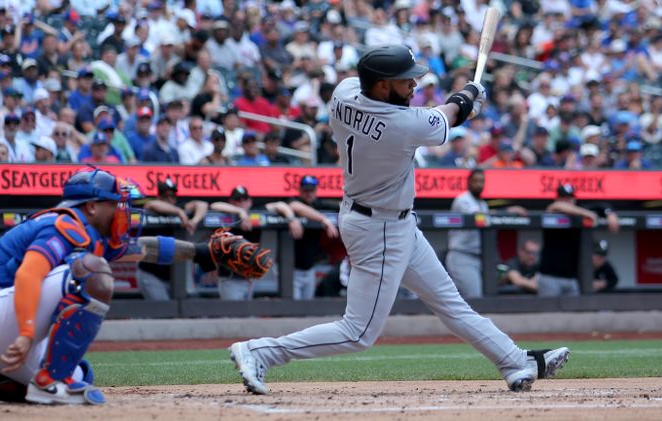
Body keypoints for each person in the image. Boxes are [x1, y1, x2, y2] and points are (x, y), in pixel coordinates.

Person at [229, 44, 569, 395]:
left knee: (450, 302)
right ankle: (260, 351)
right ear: (380, 86)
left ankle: (515, 361)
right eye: (405, 81)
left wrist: (464, 99)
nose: (413, 86)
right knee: (358, 332)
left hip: (388, 220)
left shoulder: (344, 93)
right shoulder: (401, 124)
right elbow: (451, 113)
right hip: (380, 228)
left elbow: (441, 111)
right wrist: (470, 93)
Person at [0, 168, 242, 405]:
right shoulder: (63, 224)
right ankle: (50, 381)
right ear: (92, 206)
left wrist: (200, 252)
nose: (122, 210)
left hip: (1, 329)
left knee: (81, 372)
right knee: (92, 270)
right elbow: (28, 274)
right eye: (114, 203)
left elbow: (145, 249)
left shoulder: (89, 231)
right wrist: (26, 333)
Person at [209, 186, 303, 300]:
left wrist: (292, 219)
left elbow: (280, 205)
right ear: (231, 202)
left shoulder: (256, 213)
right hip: (230, 278)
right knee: (232, 314)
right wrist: (240, 212)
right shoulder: (228, 214)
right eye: (238, 200)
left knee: (248, 314)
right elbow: (214, 205)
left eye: (245, 199)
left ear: (250, 201)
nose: (242, 202)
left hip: (249, 278)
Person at [445, 169, 527, 299]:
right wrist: (507, 211)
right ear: (468, 182)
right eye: (475, 181)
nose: (479, 184)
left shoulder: (482, 203)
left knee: (481, 296)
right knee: (474, 297)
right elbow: (479, 217)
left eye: (481, 181)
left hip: (481, 257)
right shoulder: (462, 199)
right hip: (462, 256)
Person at [136, 178, 210, 301]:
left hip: (173, 276)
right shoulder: (153, 207)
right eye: (166, 196)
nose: (170, 199)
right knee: (163, 312)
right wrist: (180, 212)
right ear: (159, 197)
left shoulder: (178, 207)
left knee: (177, 313)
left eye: (172, 196)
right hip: (151, 274)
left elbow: (202, 204)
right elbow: (151, 204)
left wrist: (194, 221)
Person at [542, 184, 620, 285]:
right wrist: (587, 213)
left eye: (570, 198)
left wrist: (610, 213)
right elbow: (557, 206)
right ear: (557, 198)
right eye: (564, 198)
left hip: (572, 278)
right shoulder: (552, 210)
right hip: (550, 277)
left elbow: (602, 205)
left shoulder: (579, 213)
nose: (567, 201)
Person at [287, 176, 340, 300]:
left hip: (310, 269)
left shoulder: (318, 204)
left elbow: (339, 206)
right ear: (300, 190)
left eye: (311, 190)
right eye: (305, 190)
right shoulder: (294, 201)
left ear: (316, 190)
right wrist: (324, 220)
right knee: (294, 309)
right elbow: (294, 206)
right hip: (291, 270)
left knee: (307, 309)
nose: (309, 194)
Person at [502, 239, 579, 296]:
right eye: (529, 252)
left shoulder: (537, 265)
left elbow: (539, 282)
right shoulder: (514, 262)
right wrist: (540, 286)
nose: (532, 256)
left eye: (535, 253)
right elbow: (518, 281)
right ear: (521, 252)